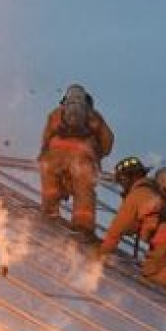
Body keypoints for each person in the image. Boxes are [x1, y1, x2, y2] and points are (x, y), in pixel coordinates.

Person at [96, 156, 166, 300]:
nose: (122, 186)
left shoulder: (136, 194)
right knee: (163, 262)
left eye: (122, 181)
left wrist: (101, 254)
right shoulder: (155, 189)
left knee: (150, 271)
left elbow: (116, 230)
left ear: (128, 178)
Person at [38, 83, 114, 242]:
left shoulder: (56, 114)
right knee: (83, 191)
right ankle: (83, 227)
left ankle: (49, 213)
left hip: (54, 155)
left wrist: (45, 154)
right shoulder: (94, 116)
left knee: (51, 186)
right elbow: (108, 141)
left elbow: (46, 137)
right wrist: (97, 155)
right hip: (82, 157)